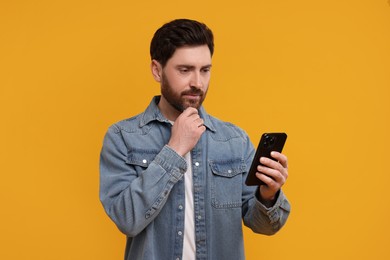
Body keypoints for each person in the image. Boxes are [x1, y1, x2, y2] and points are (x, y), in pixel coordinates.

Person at [99, 18, 291, 260]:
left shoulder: (234, 140)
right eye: (185, 70)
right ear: (157, 70)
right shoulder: (122, 138)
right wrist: (175, 149)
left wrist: (268, 194)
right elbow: (127, 218)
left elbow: (265, 225)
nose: (197, 83)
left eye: (205, 70)